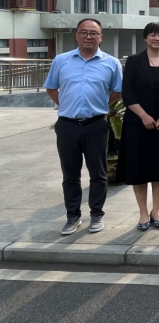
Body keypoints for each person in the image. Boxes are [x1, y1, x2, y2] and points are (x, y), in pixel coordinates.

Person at [43, 18, 123, 235]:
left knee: (98, 173)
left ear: (101, 37)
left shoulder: (111, 63)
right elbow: (51, 88)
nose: (89, 36)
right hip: (67, 126)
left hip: (96, 125)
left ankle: (96, 214)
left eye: (93, 33)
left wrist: (100, 106)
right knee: (70, 174)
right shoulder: (61, 60)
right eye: (84, 32)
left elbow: (117, 92)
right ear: (76, 35)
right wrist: (66, 105)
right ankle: (73, 216)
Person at [116, 22, 159, 231]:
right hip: (137, 124)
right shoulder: (134, 61)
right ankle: (143, 213)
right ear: (145, 38)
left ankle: (157, 210)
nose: (157, 38)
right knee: (138, 169)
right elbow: (128, 93)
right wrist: (144, 116)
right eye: (152, 34)